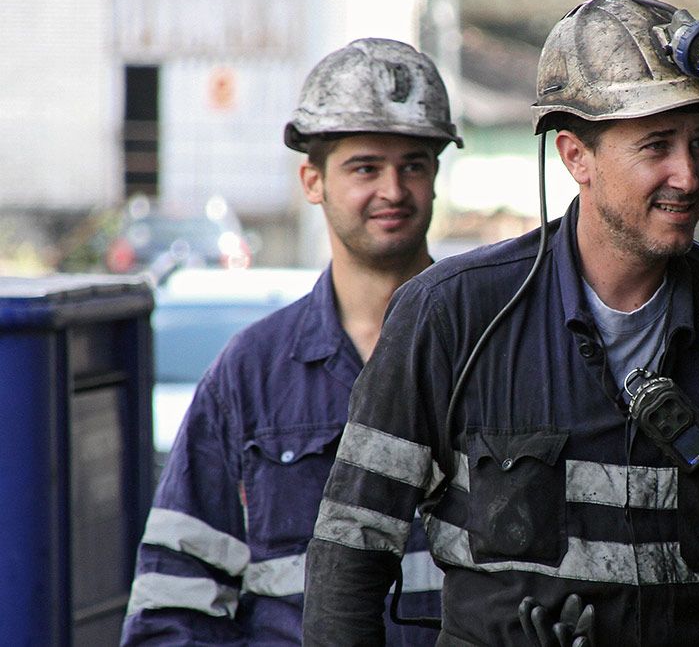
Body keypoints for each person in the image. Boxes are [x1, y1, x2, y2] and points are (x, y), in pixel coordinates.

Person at [304, 0, 699, 646]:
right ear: (576, 156)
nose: (688, 175)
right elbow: (350, 556)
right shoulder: (452, 315)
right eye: (656, 144)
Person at [120, 38, 461, 646]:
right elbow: (175, 604)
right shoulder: (250, 374)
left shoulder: (492, 351)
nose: (393, 189)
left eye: (414, 163)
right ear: (312, 180)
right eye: (365, 167)